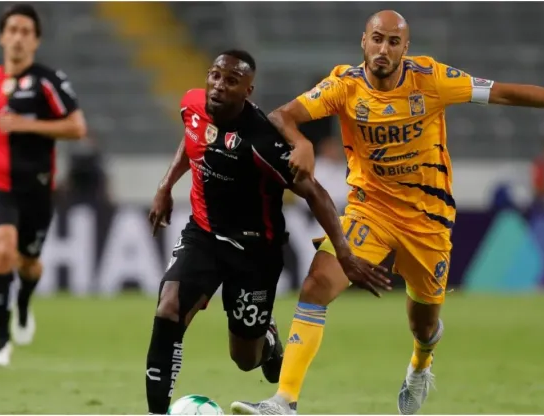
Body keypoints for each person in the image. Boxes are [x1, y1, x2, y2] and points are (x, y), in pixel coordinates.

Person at [231, 10, 544, 416]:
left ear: (406, 48)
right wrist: (303, 144)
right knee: (316, 285)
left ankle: (421, 364)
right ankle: (284, 401)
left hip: (428, 220)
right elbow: (283, 116)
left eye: (393, 42)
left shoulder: (433, 79)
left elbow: (505, 93)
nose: (383, 49)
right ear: (363, 41)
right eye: (377, 39)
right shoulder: (345, 85)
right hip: (371, 210)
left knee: (422, 325)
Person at [143, 50, 389, 415]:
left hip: (255, 253)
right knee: (168, 309)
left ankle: (268, 340)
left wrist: (346, 254)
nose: (217, 86)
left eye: (230, 81)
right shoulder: (192, 104)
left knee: (245, 358)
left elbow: (316, 194)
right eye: (214, 76)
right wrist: (165, 186)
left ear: (248, 91)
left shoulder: (263, 143)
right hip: (204, 235)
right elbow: (192, 138)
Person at [0, 3, 87, 367]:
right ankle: (1, 342)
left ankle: (22, 305)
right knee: (2, 251)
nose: (17, 38)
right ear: (2, 36)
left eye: (25, 32)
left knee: (30, 263)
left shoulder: (48, 80)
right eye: (12, 30)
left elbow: (77, 127)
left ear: (35, 41)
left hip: (35, 187)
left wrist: (25, 125)